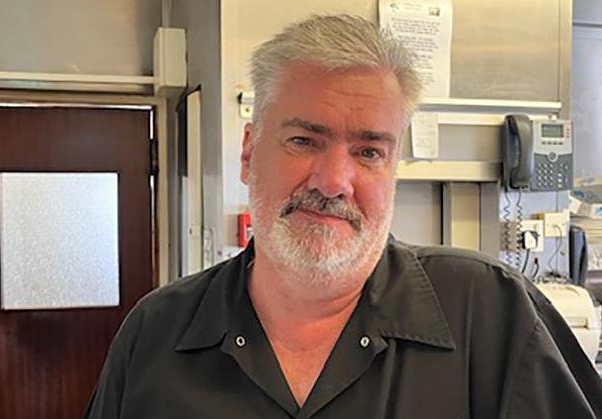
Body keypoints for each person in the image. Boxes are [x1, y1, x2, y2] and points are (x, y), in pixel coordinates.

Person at [84, 14, 602, 419]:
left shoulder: (490, 315)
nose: (333, 181)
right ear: (248, 153)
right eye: (304, 140)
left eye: (369, 151)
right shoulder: (155, 334)